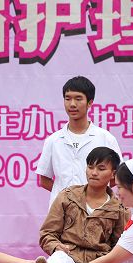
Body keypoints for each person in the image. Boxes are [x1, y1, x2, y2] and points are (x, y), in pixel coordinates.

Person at [36, 76, 122, 208]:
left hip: (95, 211)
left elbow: (117, 176)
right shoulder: (53, 140)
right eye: (67, 98)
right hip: (61, 211)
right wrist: (66, 196)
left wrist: (96, 195)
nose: (72, 104)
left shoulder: (105, 138)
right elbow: (44, 180)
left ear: (90, 103)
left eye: (78, 99)